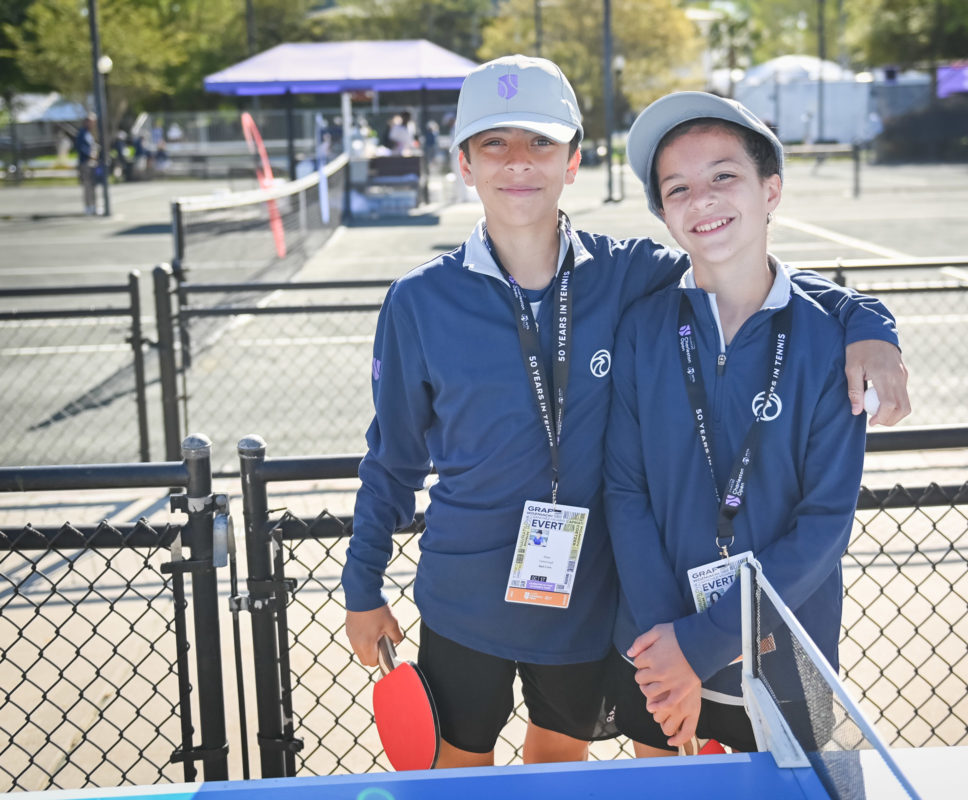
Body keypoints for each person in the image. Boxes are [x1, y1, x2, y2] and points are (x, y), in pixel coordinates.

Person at [341, 56, 909, 771]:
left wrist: (867, 319)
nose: (519, 162)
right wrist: (361, 584)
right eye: (495, 143)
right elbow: (391, 458)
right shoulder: (418, 301)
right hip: (464, 601)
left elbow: (744, 261)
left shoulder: (627, 271)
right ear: (463, 162)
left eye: (541, 143)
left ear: (574, 160)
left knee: (557, 767)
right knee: (458, 775)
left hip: (586, 599)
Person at [603, 92, 870, 755]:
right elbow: (626, 495)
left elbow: (824, 525)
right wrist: (671, 648)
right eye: (678, 188)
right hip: (655, 644)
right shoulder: (642, 329)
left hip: (787, 652)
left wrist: (701, 644)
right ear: (663, 212)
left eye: (724, 176)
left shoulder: (829, 339)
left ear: (770, 189)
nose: (703, 200)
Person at [75, 114, 98, 215]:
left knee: (92, 186)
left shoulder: (89, 134)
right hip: (85, 163)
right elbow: (80, 147)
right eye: (91, 122)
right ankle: (88, 206)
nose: (93, 124)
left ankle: (93, 205)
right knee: (87, 186)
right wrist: (90, 155)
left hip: (91, 163)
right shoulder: (82, 133)